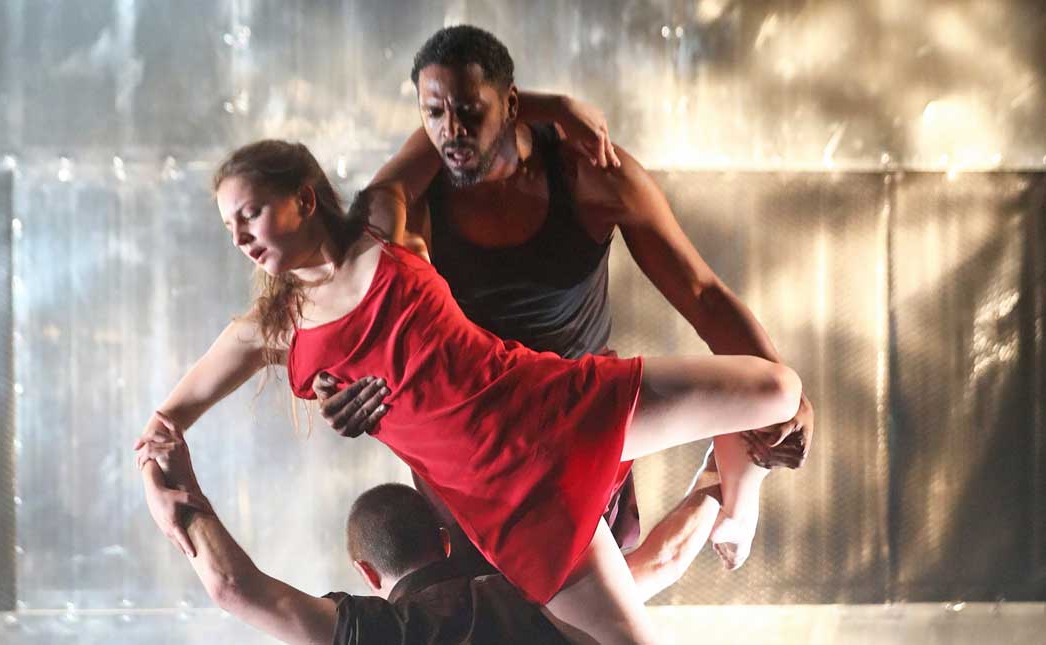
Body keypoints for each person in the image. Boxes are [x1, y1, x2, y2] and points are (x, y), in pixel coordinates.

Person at [135, 139, 802, 643]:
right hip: (509, 505)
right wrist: (163, 492)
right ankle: (725, 488)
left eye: (249, 213)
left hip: (553, 405)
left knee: (777, 388)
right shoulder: (271, 329)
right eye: (229, 227)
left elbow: (441, 122)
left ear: (305, 198)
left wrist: (559, 109)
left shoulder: (381, 220)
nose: (240, 236)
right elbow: (163, 425)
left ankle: (738, 496)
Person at [310, 24, 815, 574]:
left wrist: (792, 400)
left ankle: (728, 491)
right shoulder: (415, 201)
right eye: (433, 115)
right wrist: (335, 386)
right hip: (470, 440)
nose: (451, 131)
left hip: (582, 417)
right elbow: (355, 281)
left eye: (470, 113)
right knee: (480, 615)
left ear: (509, 105)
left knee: (598, 609)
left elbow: (702, 294)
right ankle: (719, 493)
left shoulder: (590, 175)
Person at [141, 416, 723, 644]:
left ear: (367, 572)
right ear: (444, 538)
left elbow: (233, 588)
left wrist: (178, 493)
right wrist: (728, 469)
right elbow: (664, 559)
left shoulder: (380, 635)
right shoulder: (528, 594)